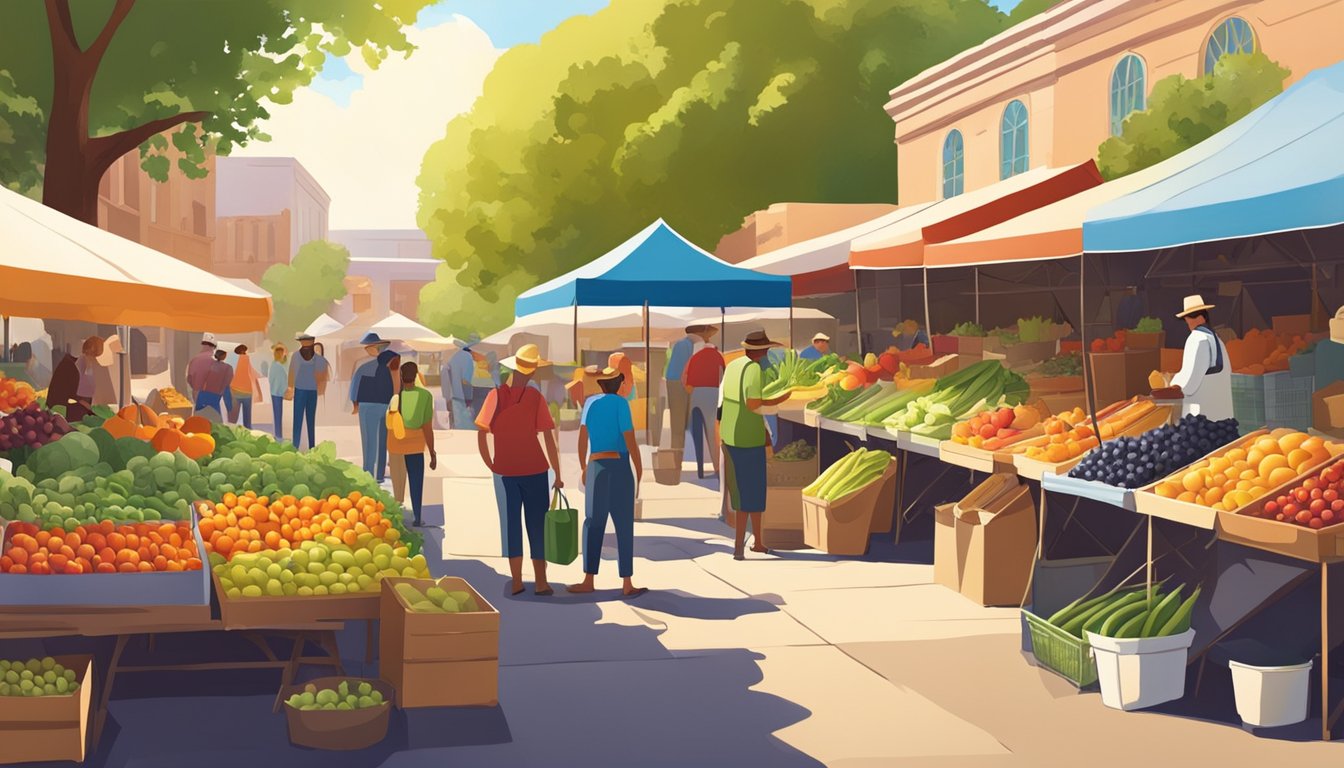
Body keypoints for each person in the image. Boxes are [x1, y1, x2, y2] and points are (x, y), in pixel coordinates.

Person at [475, 343, 564, 596]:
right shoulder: (535, 398)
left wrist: (490, 463)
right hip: (535, 469)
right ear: (534, 371)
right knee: (537, 525)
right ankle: (541, 581)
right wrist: (557, 473)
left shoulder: (495, 396)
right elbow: (548, 438)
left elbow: (481, 434)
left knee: (511, 524)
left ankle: (516, 581)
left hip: (505, 471)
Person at [568, 365, 645, 598]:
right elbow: (629, 439)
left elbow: (582, 438)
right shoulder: (622, 404)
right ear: (618, 384)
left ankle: (588, 579)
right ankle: (627, 582)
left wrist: (583, 466)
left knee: (593, 522)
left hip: (596, 466)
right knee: (623, 524)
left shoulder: (591, 403)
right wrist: (638, 470)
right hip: (619, 466)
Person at [721, 329, 792, 560]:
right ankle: (752, 544)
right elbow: (753, 404)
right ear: (761, 351)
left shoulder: (733, 365)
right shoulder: (753, 369)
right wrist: (782, 398)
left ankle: (743, 545)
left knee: (739, 494)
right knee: (754, 493)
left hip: (729, 435)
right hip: (747, 437)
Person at [1152, 295, 1233, 420]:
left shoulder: (1196, 339)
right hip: (1222, 411)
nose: (1187, 323)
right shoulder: (1216, 338)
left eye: (1187, 319)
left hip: (1202, 415)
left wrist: (1171, 382)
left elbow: (1190, 383)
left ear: (1197, 318)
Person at [389, 362, 437, 527]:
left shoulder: (396, 398)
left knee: (397, 486)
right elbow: (427, 428)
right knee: (416, 482)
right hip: (415, 446)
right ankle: (417, 517)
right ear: (416, 375)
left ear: (401, 377)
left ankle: (396, 519)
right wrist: (432, 453)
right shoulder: (425, 396)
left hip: (396, 445)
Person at [351, 333, 396, 483]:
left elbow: (355, 388)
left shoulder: (363, 367)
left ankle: (368, 474)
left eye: (368, 347)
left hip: (367, 406)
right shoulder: (393, 366)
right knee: (382, 440)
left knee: (369, 440)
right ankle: (379, 475)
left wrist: (355, 405)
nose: (366, 350)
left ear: (375, 347)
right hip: (386, 405)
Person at [684, 331, 725, 478]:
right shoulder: (718, 356)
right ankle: (717, 468)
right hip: (712, 394)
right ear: (714, 347)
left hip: (696, 395)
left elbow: (685, 379)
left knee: (697, 434)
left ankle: (700, 469)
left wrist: (692, 392)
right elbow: (724, 378)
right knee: (712, 432)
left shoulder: (694, 357)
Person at [288, 334, 329, 449]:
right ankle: (311, 446)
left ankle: (295, 445)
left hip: (301, 390)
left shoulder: (296, 356)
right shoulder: (319, 358)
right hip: (312, 391)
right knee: (310, 420)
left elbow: (291, 374)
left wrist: (290, 387)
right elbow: (322, 375)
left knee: (298, 420)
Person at [665, 326, 699, 456]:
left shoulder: (683, 344)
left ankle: (678, 451)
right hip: (679, 382)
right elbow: (686, 369)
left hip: (675, 380)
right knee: (680, 421)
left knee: (678, 421)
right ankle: (679, 452)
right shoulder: (687, 345)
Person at [443, 335, 480, 429]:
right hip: (464, 399)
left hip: (454, 397)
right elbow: (466, 381)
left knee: (456, 428)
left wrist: (447, 398)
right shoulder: (467, 357)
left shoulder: (454, 357)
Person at [228, 345, 262, 429]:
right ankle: (248, 430)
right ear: (243, 351)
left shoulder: (233, 360)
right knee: (247, 415)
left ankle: (232, 431)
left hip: (235, 391)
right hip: (247, 391)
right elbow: (253, 373)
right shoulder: (247, 359)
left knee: (233, 415)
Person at [260, 344, 290, 440]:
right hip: (277, 392)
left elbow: (271, 379)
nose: (283, 354)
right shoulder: (277, 366)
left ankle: (278, 435)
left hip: (276, 392)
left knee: (278, 414)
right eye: (282, 353)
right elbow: (280, 380)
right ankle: (278, 435)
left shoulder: (275, 365)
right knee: (278, 415)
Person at [186, 333, 218, 404]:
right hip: (212, 396)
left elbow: (189, 380)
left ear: (203, 345)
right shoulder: (216, 360)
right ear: (214, 346)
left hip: (197, 394)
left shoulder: (194, 360)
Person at [74, 336, 105, 408]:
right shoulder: (82, 360)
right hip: (84, 399)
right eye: (87, 353)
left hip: (97, 399)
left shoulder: (102, 365)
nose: (89, 356)